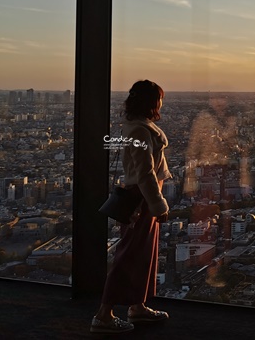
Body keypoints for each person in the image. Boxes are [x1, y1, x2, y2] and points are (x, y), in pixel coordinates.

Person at [91, 80, 172, 334]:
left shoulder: (138, 127)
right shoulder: (139, 131)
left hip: (143, 196)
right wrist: (158, 204)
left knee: (141, 253)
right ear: (152, 102)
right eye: (159, 98)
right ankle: (103, 315)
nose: (162, 102)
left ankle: (138, 306)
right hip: (143, 197)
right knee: (129, 255)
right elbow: (145, 173)